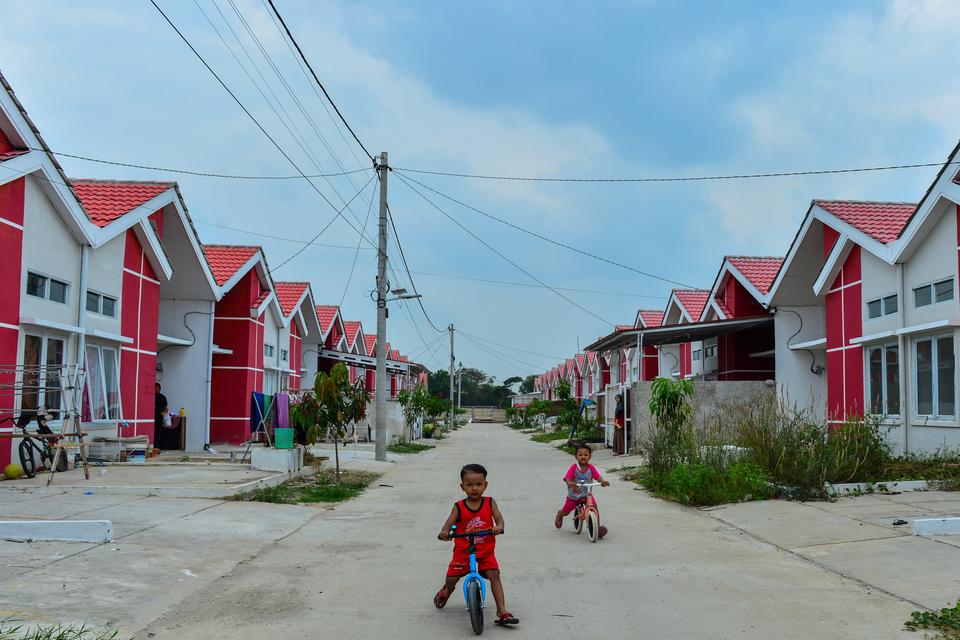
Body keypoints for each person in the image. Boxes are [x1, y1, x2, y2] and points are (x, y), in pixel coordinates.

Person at [434, 463, 519, 627]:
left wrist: (498, 527)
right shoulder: (458, 506)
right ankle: (446, 591)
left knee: (494, 574)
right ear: (462, 487)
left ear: (485, 485)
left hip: (485, 551)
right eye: (469, 485)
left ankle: (502, 611)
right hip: (463, 552)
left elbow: (499, 519)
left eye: (479, 484)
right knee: (451, 579)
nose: (474, 488)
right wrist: (445, 533)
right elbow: (448, 524)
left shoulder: (489, 503)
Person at [555, 443, 609, 532]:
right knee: (566, 511)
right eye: (580, 455)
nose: (583, 457)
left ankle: (597, 527)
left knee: (594, 507)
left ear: (590, 456)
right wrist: (569, 482)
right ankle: (560, 514)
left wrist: (602, 481)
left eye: (586, 455)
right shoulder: (574, 467)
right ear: (576, 457)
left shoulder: (591, 468)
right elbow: (568, 477)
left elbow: (597, 476)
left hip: (586, 494)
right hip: (574, 495)